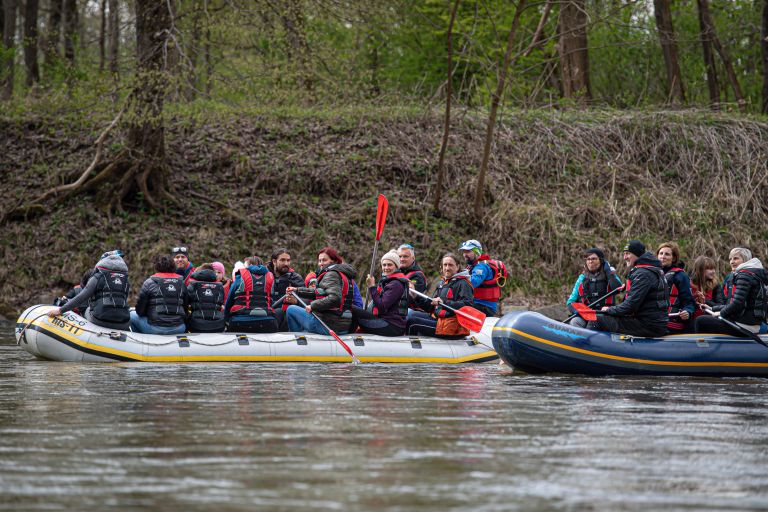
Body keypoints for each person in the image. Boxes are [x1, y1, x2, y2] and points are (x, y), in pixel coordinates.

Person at [591, 240, 669, 338]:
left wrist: (609, 309)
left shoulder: (643, 274)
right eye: (624, 254)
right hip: (651, 322)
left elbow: (630, 306)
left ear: (637, 254)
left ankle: (586, 350)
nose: (625, 257)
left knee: (595, 320)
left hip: (648, 325)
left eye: (628, 254)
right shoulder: (648, 270)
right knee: (604, 317)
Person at [47, 250, 130, 331]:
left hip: (100, 320)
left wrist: (60, 310)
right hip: (124, 322)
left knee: (86, 309)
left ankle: (82, 333)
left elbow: (81, 297)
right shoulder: (126, 279)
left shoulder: (98, 276)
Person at [285, 247, 358, 335]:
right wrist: (297, 290)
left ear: (333, 261)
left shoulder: (331, 274)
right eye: (319, 261)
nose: (321, 264)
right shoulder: (342, 273)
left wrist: (312, 306)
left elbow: (335, 298)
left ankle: (297, 341)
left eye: (324, 260)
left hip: (328, 325)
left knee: (291, 309)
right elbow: (319, 293)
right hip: (342, 326)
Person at [695, 248, 768, 336]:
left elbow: (737, 304)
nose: (732, 262)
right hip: (748, 323)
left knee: (700, 321)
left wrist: (721, 313)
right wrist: (712, 309)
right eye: (730, 259)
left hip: (744, 325)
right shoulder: (751, 274)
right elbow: (733, 304)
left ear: (745, 260)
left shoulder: (745, 275)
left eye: (736, 258)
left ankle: (703, 348)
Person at [407, 253, 474, 337]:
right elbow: (431, 307)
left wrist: (444, 302)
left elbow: (467, 305)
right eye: (445, 265)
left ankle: (412, 348)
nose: (447, 268)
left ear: (457, 267)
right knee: (411, 314)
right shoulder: (442, 283)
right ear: (441, 267)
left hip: (452, 327)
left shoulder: (463, 283)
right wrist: (415, 296)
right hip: (439, 320)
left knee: (412, 321)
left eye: (450, 265)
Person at [351, 250, 408, 336]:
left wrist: (372, 287)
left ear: (396, 267)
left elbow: (382, 307)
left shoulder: (396, 284)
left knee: (351, 308)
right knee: (352, 308)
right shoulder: (388, 281)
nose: (386, 268)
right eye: (384, 265)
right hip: (385, 321)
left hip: (391, 326)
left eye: (390, 265)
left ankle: (346, 333)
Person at [566, 248, 623, 328]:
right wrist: (577, 311)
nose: (590, 261)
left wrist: (608, 271)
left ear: (601, 260)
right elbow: (570, 302)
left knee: (593, 323)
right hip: (586, 315)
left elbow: (618, 289)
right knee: (575, 322)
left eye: (593, 259)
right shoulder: (582, 278)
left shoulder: (609, 275)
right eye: (588, 259)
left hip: (605, 314)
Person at [131, 255, 187, 334]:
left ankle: (141, 342)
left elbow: (140, 311)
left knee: (131, 315)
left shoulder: (149, 282)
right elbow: (185, 308)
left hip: (155, 328)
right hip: (179, 328)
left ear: (157, 267)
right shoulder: (182, 283)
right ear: (173, 266)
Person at [224, 256, 279, 333]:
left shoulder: (240, 277)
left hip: (240, 322)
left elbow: (229, 302)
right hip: (268, 322)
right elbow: (272, 300)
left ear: (249, 265)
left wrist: (226, 320)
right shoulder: (271, 278)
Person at [657, 242, 696, 333]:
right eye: (661, 253)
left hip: (671, 322)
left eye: (667, 254)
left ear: (674, 258)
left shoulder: (681, 276)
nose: (663, 256)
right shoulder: (652, 274)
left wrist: (688, 311)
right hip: (654, 320)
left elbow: (689, 302)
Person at [459, 239, 503, 317]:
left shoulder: (481, 267)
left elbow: (473, 282)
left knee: (456, 308)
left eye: (468, 251)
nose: (465, 254)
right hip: (477, 304)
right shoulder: (472, 266)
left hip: (486, 307)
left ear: (477, 252)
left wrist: (457, 279)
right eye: (464, 252)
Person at [267, 248, 305, 331]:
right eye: (282, 260)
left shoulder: (295, 278)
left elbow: (307, 300)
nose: (286, 263)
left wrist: (296, 301)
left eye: (288, 260)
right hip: (266, 315)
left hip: (287, 318)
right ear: (274, 261)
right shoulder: (264, 276)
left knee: (279, 312)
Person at [186, 263, 226, 333]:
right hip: (218, 325)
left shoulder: (193, 285)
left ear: (200, 273)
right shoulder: (220, 286)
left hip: (197, 325)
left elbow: (185, 302)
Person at [689, 255, 725, 321]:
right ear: (700, 270)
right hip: (690, 319)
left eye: (714, 268)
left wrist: (704, 301)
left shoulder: (716, 285)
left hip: (708, 320)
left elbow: (721, 306)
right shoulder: (689, 283)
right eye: (709, 269)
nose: (713, 271)